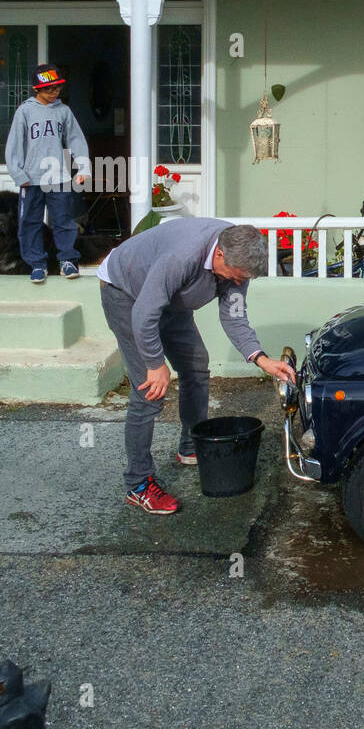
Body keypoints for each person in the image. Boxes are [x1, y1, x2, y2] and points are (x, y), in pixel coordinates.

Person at [97, 219, 297, 514]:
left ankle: (191, 445)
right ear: (219, 256)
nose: (239, 284)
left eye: (244, 279)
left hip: (170, 300)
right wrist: (155, 363)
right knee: (149, 391)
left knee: (196, 365)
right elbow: (144, 313)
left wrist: (261, 359)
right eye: (236, 277)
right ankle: (138, 484)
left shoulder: (238, 259)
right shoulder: (181, 257)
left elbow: (234, 316)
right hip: (126, 294)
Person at [3, 63, 91, 283]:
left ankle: (67, 260)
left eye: (57, 88)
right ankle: (37, 264)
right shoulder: (25, 111)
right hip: (30, 179)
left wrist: (83, 167)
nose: (54, 93)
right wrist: (19, 175)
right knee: (30, 222)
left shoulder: (63, 111)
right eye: (49, 89)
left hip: (58, 177)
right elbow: (14, 145)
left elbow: (75, 140)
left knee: (64, 220)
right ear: (37, 89)